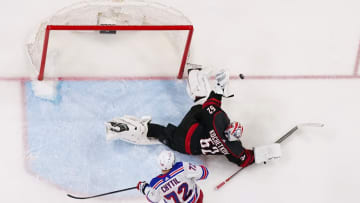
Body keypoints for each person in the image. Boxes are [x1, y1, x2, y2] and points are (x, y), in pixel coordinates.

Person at [105, 67, 281, 167]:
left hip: (189, 132)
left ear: (229, 128)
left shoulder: (219, 123)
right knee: (162, 132)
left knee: (200, 109)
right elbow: (244, 159)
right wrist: (260, 154)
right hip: (188, 148)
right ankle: (145, 129)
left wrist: (218, 90)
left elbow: (210, 108)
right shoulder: (233, 148)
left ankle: (139, 128)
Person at [137, 150, 208, 203]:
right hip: (196, 200)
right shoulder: (182, 167)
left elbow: (153, 199)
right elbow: (204, 173)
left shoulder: (156, 183)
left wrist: (144, 188)